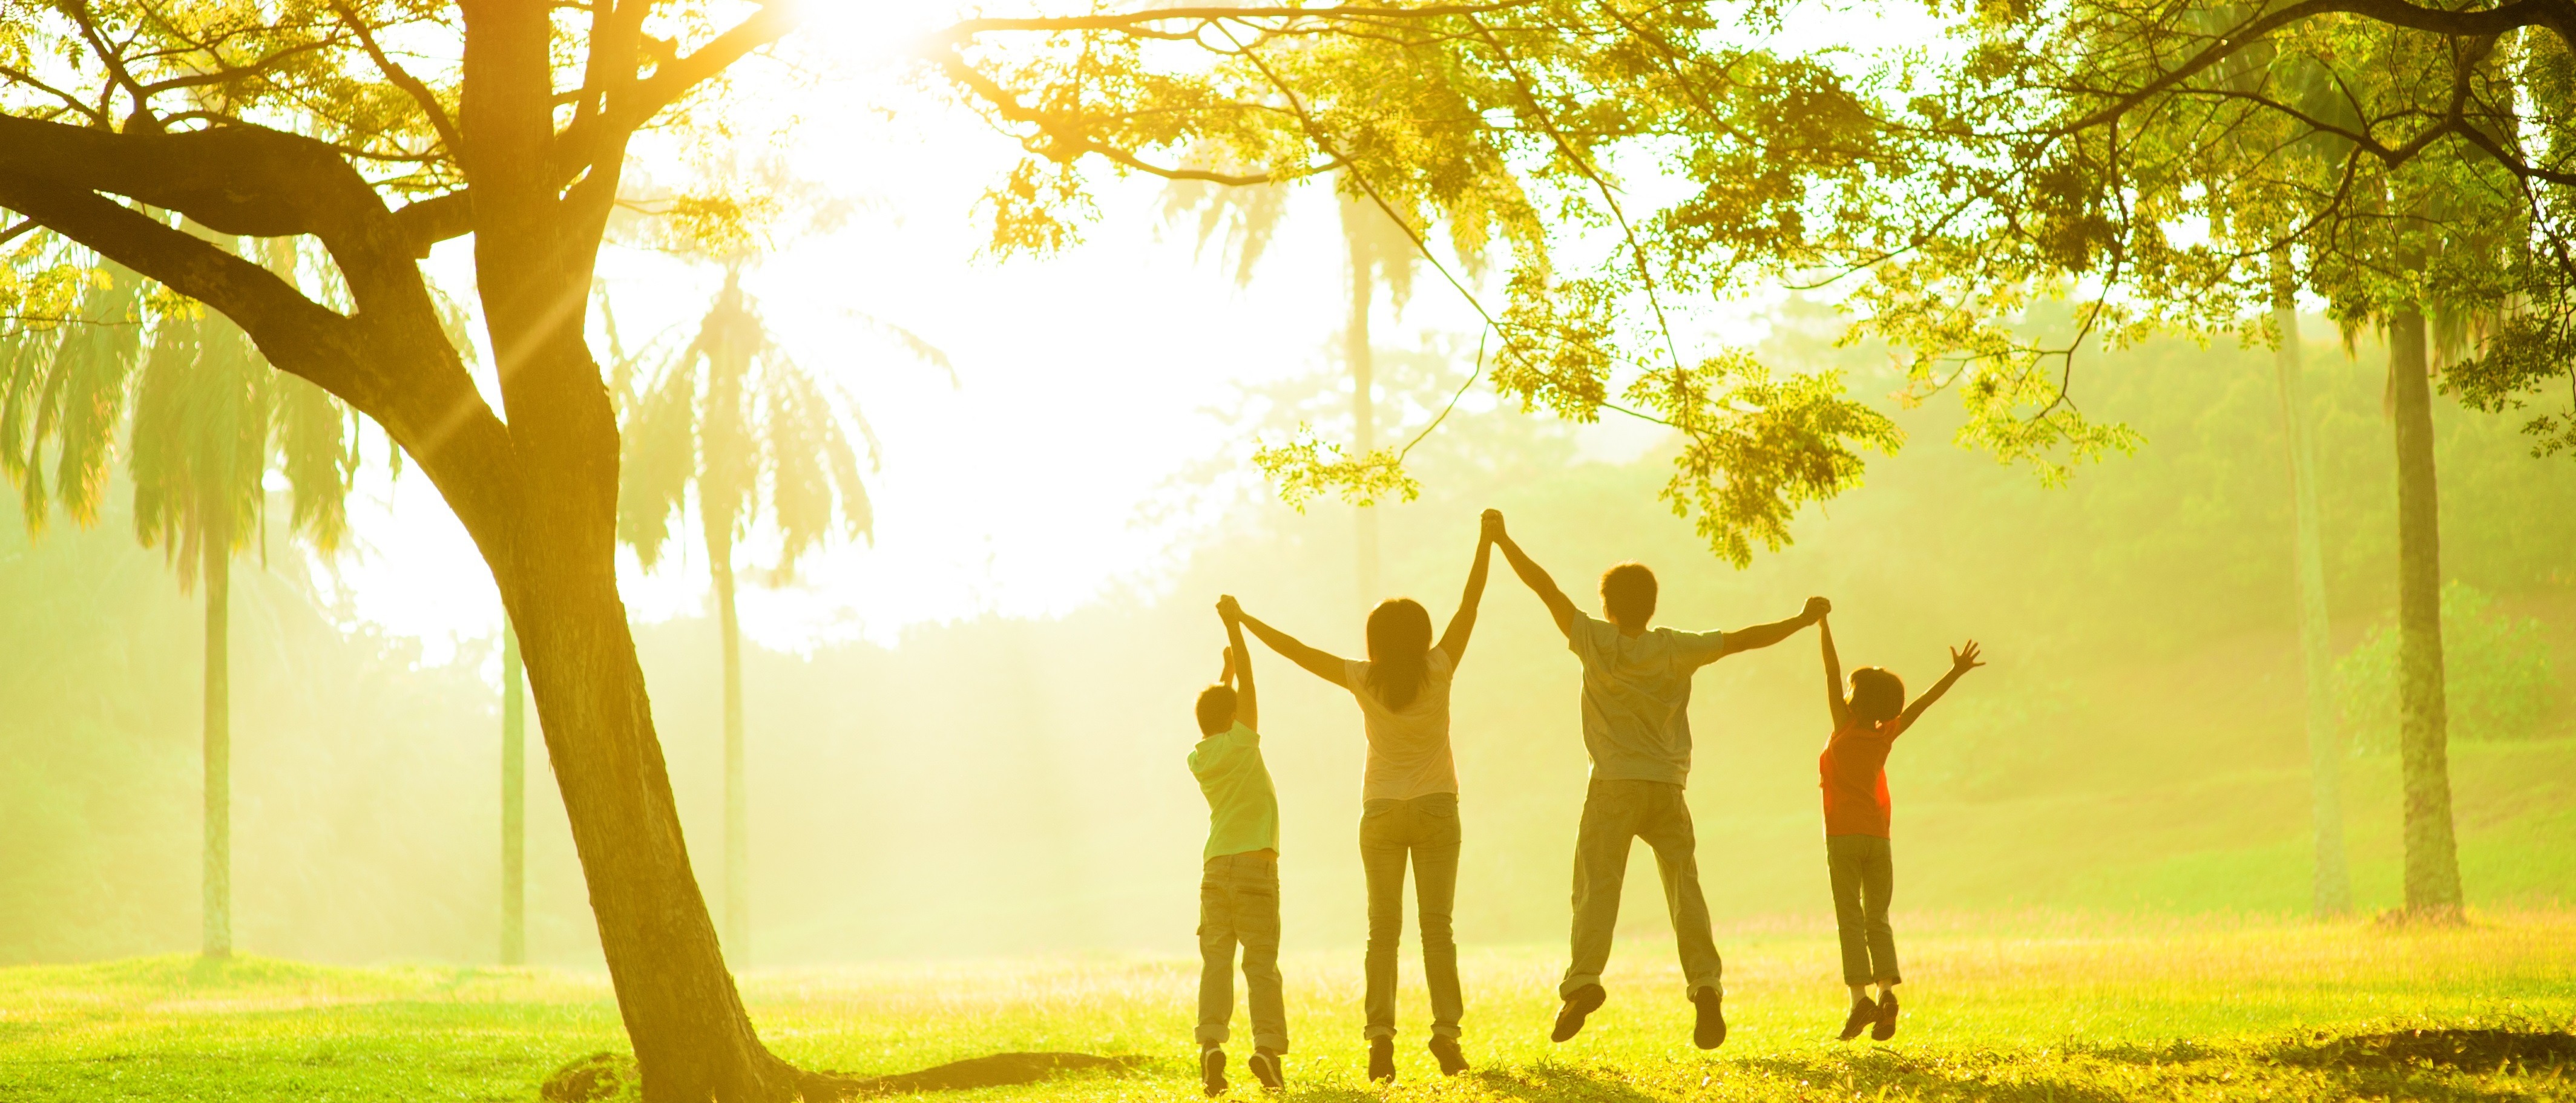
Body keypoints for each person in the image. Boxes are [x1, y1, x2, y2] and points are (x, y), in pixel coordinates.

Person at [1485, 508, 1827, 1050]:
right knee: (1684, 887)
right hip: (1667, 787)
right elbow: (1744, 639)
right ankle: (1706, 984)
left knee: (1598, 886)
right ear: (1652, 605)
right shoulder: (1675, 647)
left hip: (1613, 785)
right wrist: (1802, 620)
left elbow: (1544, 587)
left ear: (1607, 605)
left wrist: (1502, 539)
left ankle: (1583, 983)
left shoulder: (1592, 640)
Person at [1222, 522, 1492, 1083]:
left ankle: (1380, 1041)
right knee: (1437, 927)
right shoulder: (1440, 666)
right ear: (1422, 636)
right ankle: (1446, 1035)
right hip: (1438, 807)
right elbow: (1470, 603)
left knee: (1382, 930)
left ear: (1375, 641)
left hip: (1382, 813)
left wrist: (1243, 621)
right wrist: (1486, 541)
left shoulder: (1362, 677)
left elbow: (1297, 652)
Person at [1816, 615, 1982, 1042]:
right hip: (1878, 837)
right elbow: (1923, 702)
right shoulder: (1886, 733)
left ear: (1856, 700)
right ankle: (1887, 991)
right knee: (1878, 917)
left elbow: (1832, 672)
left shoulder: (1844, 728)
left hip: (1843, 837)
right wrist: (1956, 672)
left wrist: (1822, 624)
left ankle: (1859, 1000)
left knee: (1850, 918)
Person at [1190, 606, 1286, 1095]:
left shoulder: (1200, 756)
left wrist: (1221, 673)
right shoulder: (1245, 743)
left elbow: (1216, 712)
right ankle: (1267, 1050)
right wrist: (1235, 626)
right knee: (1261, 964)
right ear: (1233, 718)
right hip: (1254, 867)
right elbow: (1249, 683)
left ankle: (1211, 1045)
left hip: (1214, 868)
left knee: (1217, 961)